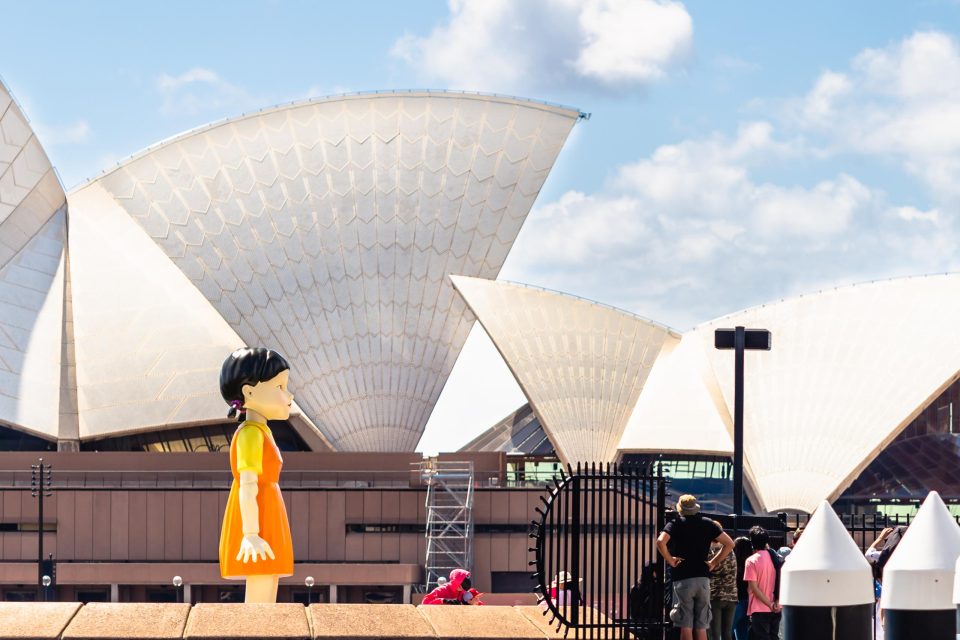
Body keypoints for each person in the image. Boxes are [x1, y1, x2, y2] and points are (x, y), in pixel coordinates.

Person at [218, 348, 295, 603]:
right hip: (259, 516)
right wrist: (250, 534)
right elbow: (247, 485)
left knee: (269, 579)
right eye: (280, 387)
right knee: (261, 586)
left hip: (268, 510)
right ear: (249, 392)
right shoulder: (250, 433)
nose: (289, 396)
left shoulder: (261, 431)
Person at [657, 494, 735, 640]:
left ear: (680, 508)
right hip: (703, 578)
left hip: (683, 578)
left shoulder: (675, 523)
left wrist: (670, 559)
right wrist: (713, 562)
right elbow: (730, 543)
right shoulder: (708, 523)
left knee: (685, 623)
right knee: (701, 624)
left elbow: (660, 542)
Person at [743, 526, 782, 640]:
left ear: (752, 542)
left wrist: (769, 604)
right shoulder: (776, 557)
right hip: (777, 606)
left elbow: (754, 588)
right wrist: (776, 603)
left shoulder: (751, 561)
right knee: (774, 636)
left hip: (760, 608)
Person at [708, 541, 738, 640]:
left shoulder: (710, 552)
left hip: (716, 595)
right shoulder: (731, 551)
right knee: (727, 634)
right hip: (732, 595)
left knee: (715, 634)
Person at [629, 562, 663, 639]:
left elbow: (633, 613)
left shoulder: (635, 588)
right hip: (655, 624)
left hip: (639, 624)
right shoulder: (658, 587)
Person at [731, 537, 753, 640]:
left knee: (727, 632)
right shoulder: (750, 564)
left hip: (735, 602)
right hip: (747, 602)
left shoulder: (733, 564)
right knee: (742, 633)